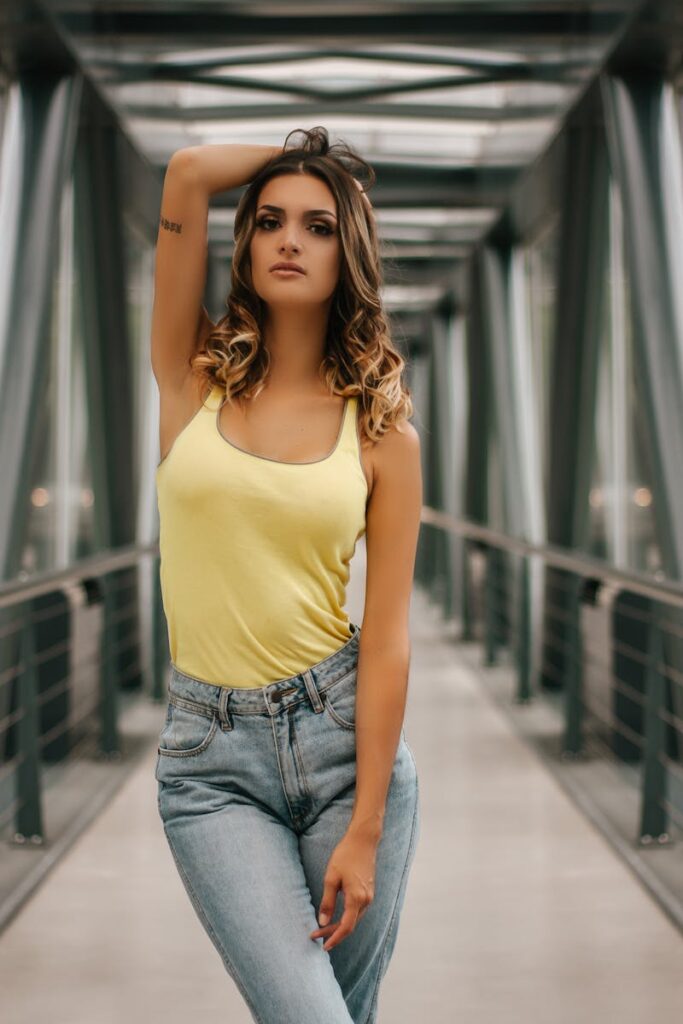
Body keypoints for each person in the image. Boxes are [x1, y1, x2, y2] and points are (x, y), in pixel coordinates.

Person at [151, 126, 422, 1024]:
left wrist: (368, 827)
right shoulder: (192, 380)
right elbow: (187, 174)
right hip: (208, 764)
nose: (289, 241)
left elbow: (385, 638)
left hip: (343, 747)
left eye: (316, 225)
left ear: (348, 253)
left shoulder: (382, 436)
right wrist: (308, 148)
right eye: (270, 221)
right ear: (247, 244)